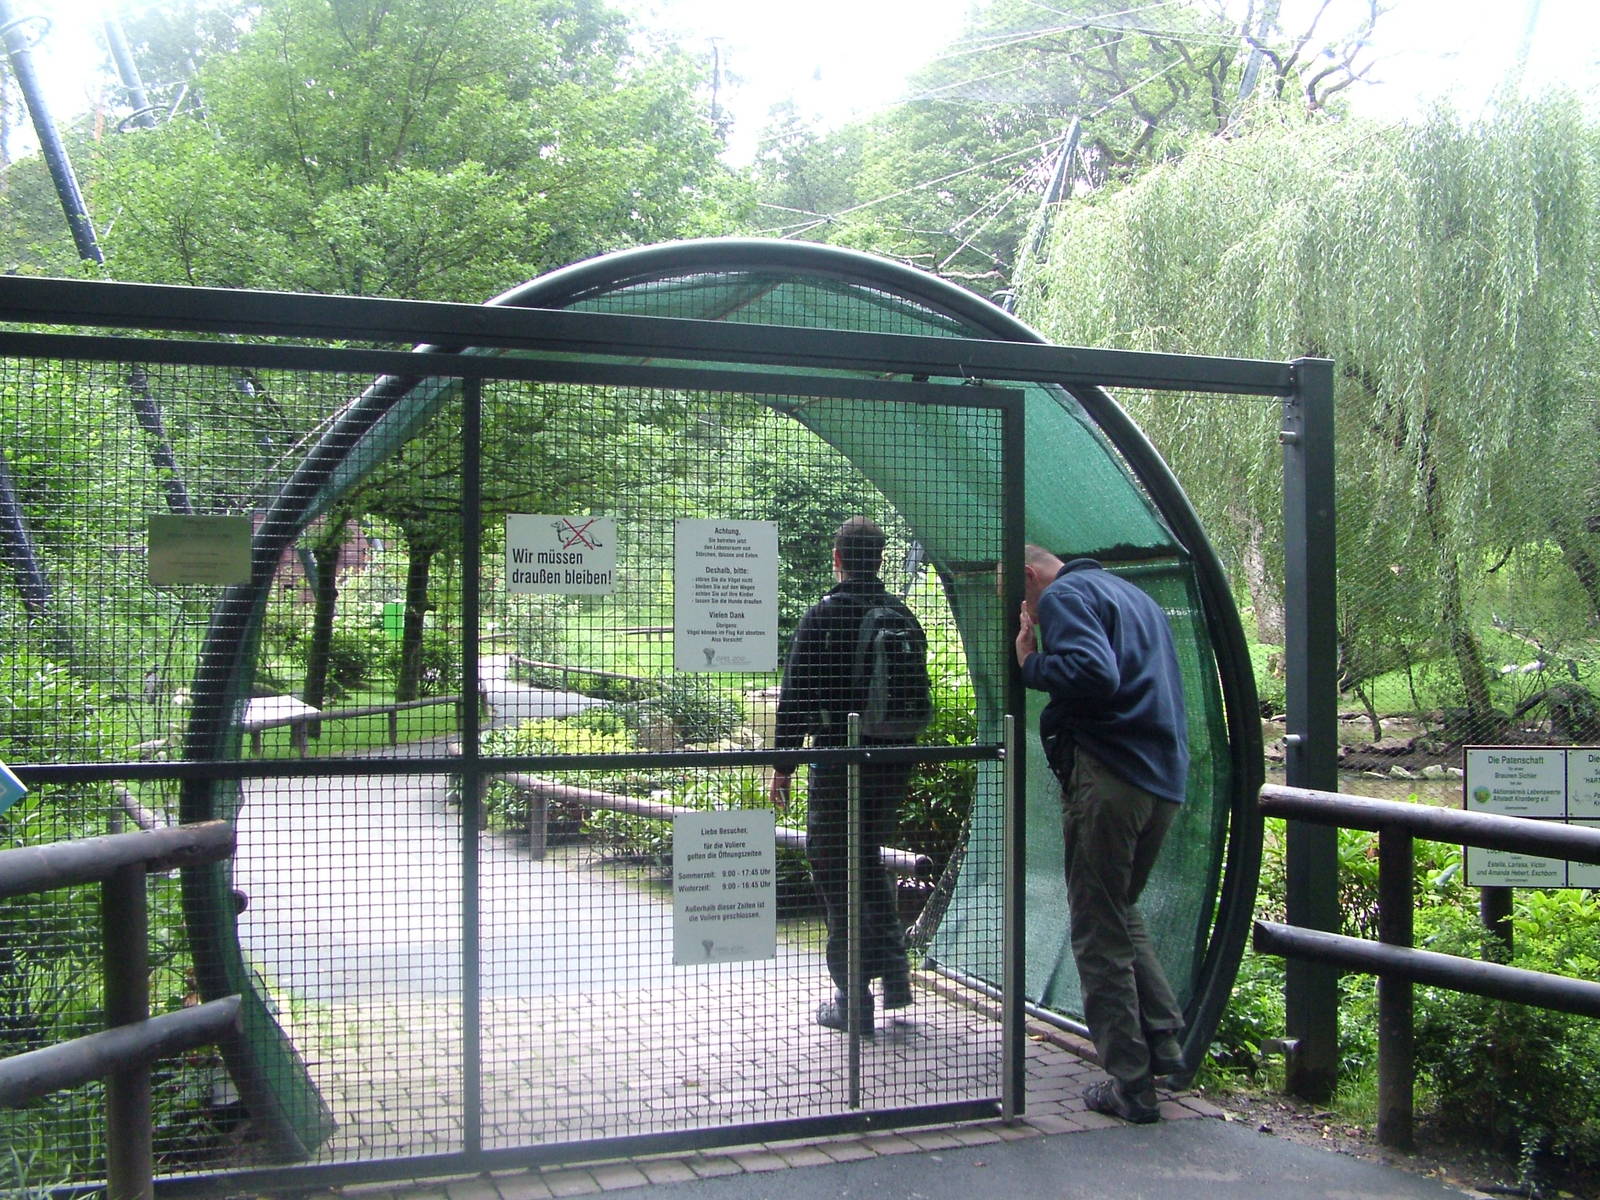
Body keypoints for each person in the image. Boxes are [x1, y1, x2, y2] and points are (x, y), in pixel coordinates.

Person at [1015, 544, 1189, 1123]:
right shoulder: (1135, 597)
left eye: (1020, 598)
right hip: (1163, 781)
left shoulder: (1064, 594)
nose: (1025, 610)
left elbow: (1093, 671)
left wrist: (1030, 662)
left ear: (1031, 576)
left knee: (1096, 928)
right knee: (1119, 908)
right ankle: (1166, 1046)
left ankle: (1131, 1086)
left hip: (1112, 778)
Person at [769, 516, 924, 1035]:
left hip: (841, 762)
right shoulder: (902, 613)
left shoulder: (825, 615)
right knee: (867, 858)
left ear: (838, 557)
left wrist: (783, 767)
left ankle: (852, 1000)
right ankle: (895, 973)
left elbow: (794, 701)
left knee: (835, 868)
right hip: (895, 759)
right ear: (879, 558)